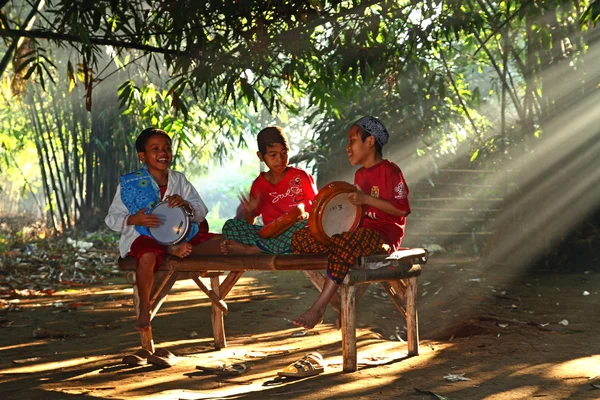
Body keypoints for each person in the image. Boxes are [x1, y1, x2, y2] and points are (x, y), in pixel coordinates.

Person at [291, 116, 411, 329]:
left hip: (383, 236)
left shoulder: (390, 171)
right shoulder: (359, 174)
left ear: (370, 141)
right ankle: (341, 298)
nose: (348, 147)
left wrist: (367, 199)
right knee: (303, 239)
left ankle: (320, 307)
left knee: (341, 244)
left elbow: (402, 209)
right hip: (357, 235)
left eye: (352, 140)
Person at [105, 128, 222, 331]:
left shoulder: (179, 180)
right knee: (148, 255)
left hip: (180, 235)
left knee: (217, 241)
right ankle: (144, 309)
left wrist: (186, 204)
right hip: (143, 238)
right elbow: (111, 219)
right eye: (155, 148)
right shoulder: (130, 184)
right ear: (142, 155)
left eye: (167, 148)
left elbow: (201, 211)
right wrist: (134, 218)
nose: (163, 153)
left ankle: (172, 247)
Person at [221, 126, 318, 255]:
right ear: (261, 156)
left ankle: (254, 249)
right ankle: (271, 247)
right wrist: (250, 211)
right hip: (271, 236)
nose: (280, 159)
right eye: (273, 155)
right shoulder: (259, 184)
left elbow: (317, 209)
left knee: (306, 227)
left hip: (297, 232)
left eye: (284, 153)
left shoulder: (301, 177)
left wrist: (306, 217)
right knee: (230, 226)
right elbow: (250, 221)